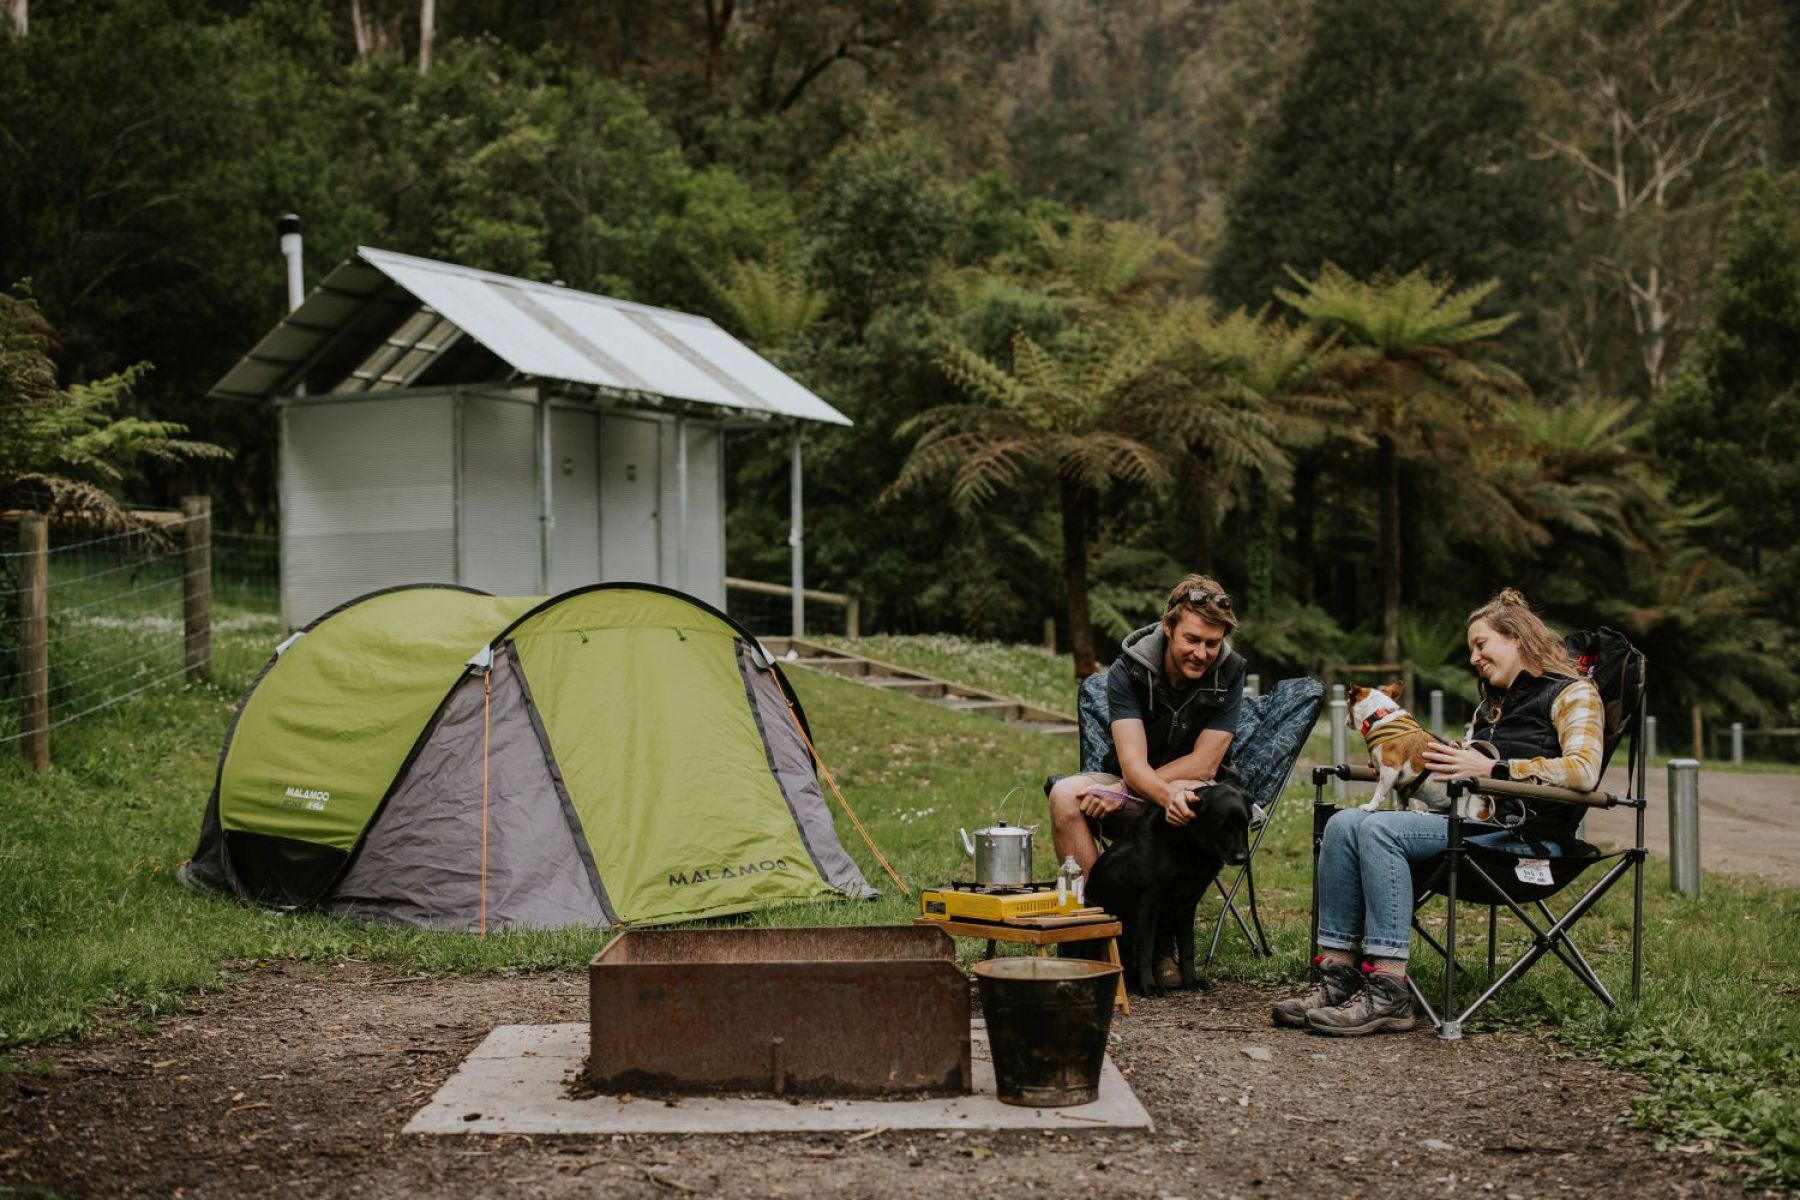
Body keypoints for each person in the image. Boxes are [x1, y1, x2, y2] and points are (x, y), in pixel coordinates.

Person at [1273, 587, 1604, 1036]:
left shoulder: (1573, 693)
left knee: (1381, 831)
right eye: (1472, 648)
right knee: (1345, 822)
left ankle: (1389, 989)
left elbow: (1584, 772)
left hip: (1523, 839)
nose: (1474, 658)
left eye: (1481, 645)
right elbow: (1461, 771)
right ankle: (1337, 975)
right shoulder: (1490, 705)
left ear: (1517, 640)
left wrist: (1497, 768)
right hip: (1465, 823)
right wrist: (1420, 762)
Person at [1047, 575, 1247, 982]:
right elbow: (1132, 763)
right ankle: (1098, 934)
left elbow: (1205, 764)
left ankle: (1161, 944)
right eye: (1192, 639)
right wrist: (1131, 788)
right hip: (1135, 781)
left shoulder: (1230, 671)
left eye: (1213, 643)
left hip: (1190, 789)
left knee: (1193, 794)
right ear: (1168, 627)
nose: (1202, 652)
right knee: (1066, 795)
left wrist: (1125, 792)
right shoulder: (1130, 669)